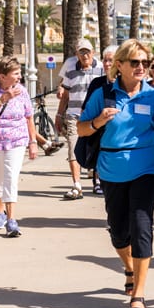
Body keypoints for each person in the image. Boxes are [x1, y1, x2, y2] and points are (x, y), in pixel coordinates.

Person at [78, 39, 154, 308]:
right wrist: (99, 122)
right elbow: (81, 130)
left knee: (142, 227)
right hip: (111, 168)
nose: (142, 67)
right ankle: (129, 268)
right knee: (118, 231)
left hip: (147, 168)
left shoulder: (153, 97)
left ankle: (138, 294)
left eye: (145, 62)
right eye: (135, 62)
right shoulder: (103, 95)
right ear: (120, 65)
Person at [0, 56, 38, 237]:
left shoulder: (22, 91)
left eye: (20, 73)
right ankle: (0, 213)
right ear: (2, 76)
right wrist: (2, 99)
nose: (19, 77)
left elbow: (29, 117)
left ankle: (12, 220)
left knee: (10, 177)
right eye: (16, 73)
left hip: (17, 141)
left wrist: (33, 141)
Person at [55, 39, 104, 200]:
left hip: (95, 116)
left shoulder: (101, 68)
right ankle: (77, 185)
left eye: (87, 51)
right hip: (74, 115)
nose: (85, 55)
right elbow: (66, 95)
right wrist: (59, 115)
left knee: (97, 148)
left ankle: (97, 181)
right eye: (81, 52)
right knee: (73, 149)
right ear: (76, 54)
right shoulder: (70, 69)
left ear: (93, 52)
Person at [80, 45, 117, 195]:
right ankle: (98, 180)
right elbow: (86, 108)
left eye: (111, 60)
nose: (107, 64)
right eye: (105, 60)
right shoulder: (97, 83)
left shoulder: (126, 83)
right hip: (98, 126)